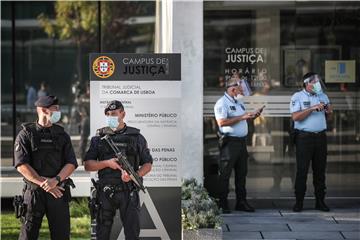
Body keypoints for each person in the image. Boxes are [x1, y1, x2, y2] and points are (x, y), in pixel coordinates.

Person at [84, 100, 153, 240]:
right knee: (101, 235)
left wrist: (135, 175)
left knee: (132, 234)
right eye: (108, 114)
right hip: (105, 191)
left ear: (123, 114)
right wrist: (107, 163)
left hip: (128, 191)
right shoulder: (98, 138)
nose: (111, 117)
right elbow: (88, 165)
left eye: (114, 114)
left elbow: (148, 164)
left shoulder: (137, 138)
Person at [14, 95, 78, 240]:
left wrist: (55, 180)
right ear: (44, 110)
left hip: (58, 191)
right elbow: (21, 165)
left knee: (61, 235)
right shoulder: (26, 134)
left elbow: (71, 163)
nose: (58, 112)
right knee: (27, 235)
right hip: (34, 193)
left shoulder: (62, 135)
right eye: (55, 108)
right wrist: (44, 183)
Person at [214, 74, 263, 213]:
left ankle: (241, 202)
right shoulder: (222, 103)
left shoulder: (239, 102)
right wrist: (242, 116)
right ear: (232, 89)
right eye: (240, 89)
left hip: (241, 143)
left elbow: (241, 119)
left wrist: (252, 115)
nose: (242, 92)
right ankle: (222, 204)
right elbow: (222, 122)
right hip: (229, 143)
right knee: (225, 174)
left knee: (242, 174)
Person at [290, 72, 333, 212]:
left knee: (320, 171)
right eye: (314, 82)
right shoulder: (298, 96)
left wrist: (329, 111)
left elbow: (329, 117)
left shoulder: (323, 96)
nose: (317, 84)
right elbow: (296, 117)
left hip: (320, 137)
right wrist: (312, 108)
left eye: (318, 82)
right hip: (304, 138)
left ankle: (320, 201)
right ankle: (299, 202)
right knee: (302, 171)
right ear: (306, 83)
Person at [78, 83, 90, 161]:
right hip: (86, 120)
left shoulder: (96, 97)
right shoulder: (82, 98)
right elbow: (80, 110)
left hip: (95, 119)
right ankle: (82, 158)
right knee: (83, 139)